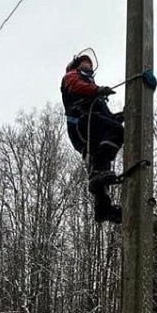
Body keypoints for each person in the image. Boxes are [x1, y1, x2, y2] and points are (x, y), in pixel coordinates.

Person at [60, 52, 124, 224]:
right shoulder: (72, 76)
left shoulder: (92, 90)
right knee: (116, 133)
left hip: (90, 126)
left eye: (90, 64)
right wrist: (97, 90)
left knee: (97, 160)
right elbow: (76, 86)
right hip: (82, 122)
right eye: (85, 63)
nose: (88, 66)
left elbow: (106, 116)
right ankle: (99, 171)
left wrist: (119, 116)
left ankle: (103, 207)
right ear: (78, 65)